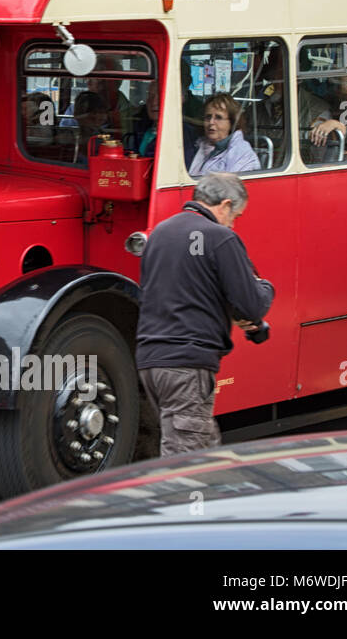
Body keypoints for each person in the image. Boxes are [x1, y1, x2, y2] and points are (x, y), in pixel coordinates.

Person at [136, 173, 274, 455]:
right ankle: (182, 499)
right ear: (224, 204)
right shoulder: (220, 237)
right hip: (187, 364)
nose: (233, 223)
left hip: (150, 361)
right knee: (186, 459)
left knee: (206, 447)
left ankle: (213, 496)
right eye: (235, 215)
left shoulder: (160, 233)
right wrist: (265, 288)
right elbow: (250, 304)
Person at [188, 92, 260, 175]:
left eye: (218, 117)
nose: (211, 122)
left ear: (232, 122)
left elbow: (232, 185)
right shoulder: (199, 145)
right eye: (208, 117)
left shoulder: (242, 154)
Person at [125, 81, 159, 158]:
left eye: (160, 96)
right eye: (150, 96)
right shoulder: (142, 128)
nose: (154, 102)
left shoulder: (181, 134)